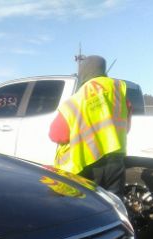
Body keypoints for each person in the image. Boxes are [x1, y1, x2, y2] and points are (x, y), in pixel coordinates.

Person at [49, 55, 132, 196]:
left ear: (83, 74)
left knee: (86, 208)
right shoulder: (119, 90)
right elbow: (126, 126)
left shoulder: (76, 100)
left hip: (87, 166)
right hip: (116, 161)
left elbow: (56, 134)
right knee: (114, 206)